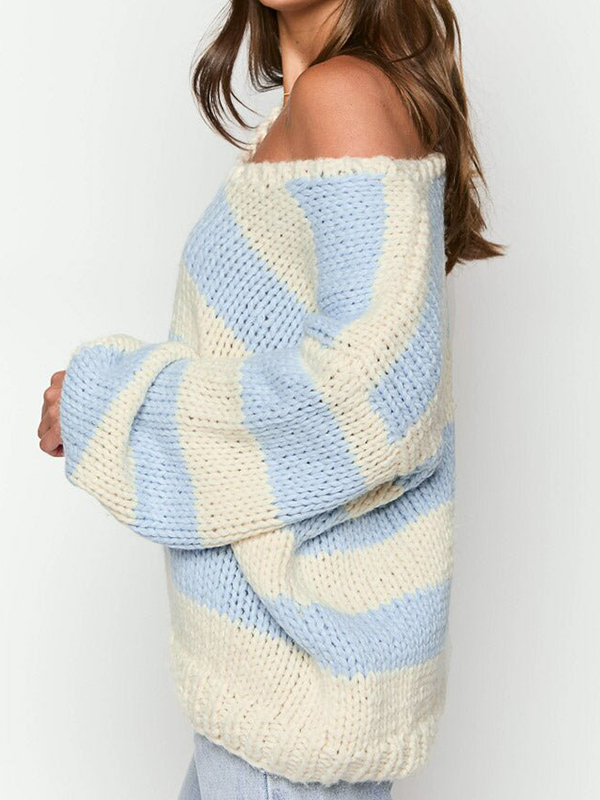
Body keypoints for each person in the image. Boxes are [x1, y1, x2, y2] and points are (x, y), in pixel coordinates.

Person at [37, 1, 502, 797]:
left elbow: (379, 397)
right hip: (265, 706)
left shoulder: (343, 94)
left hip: (291, 707)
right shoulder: (312, 106)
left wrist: (113, 408)